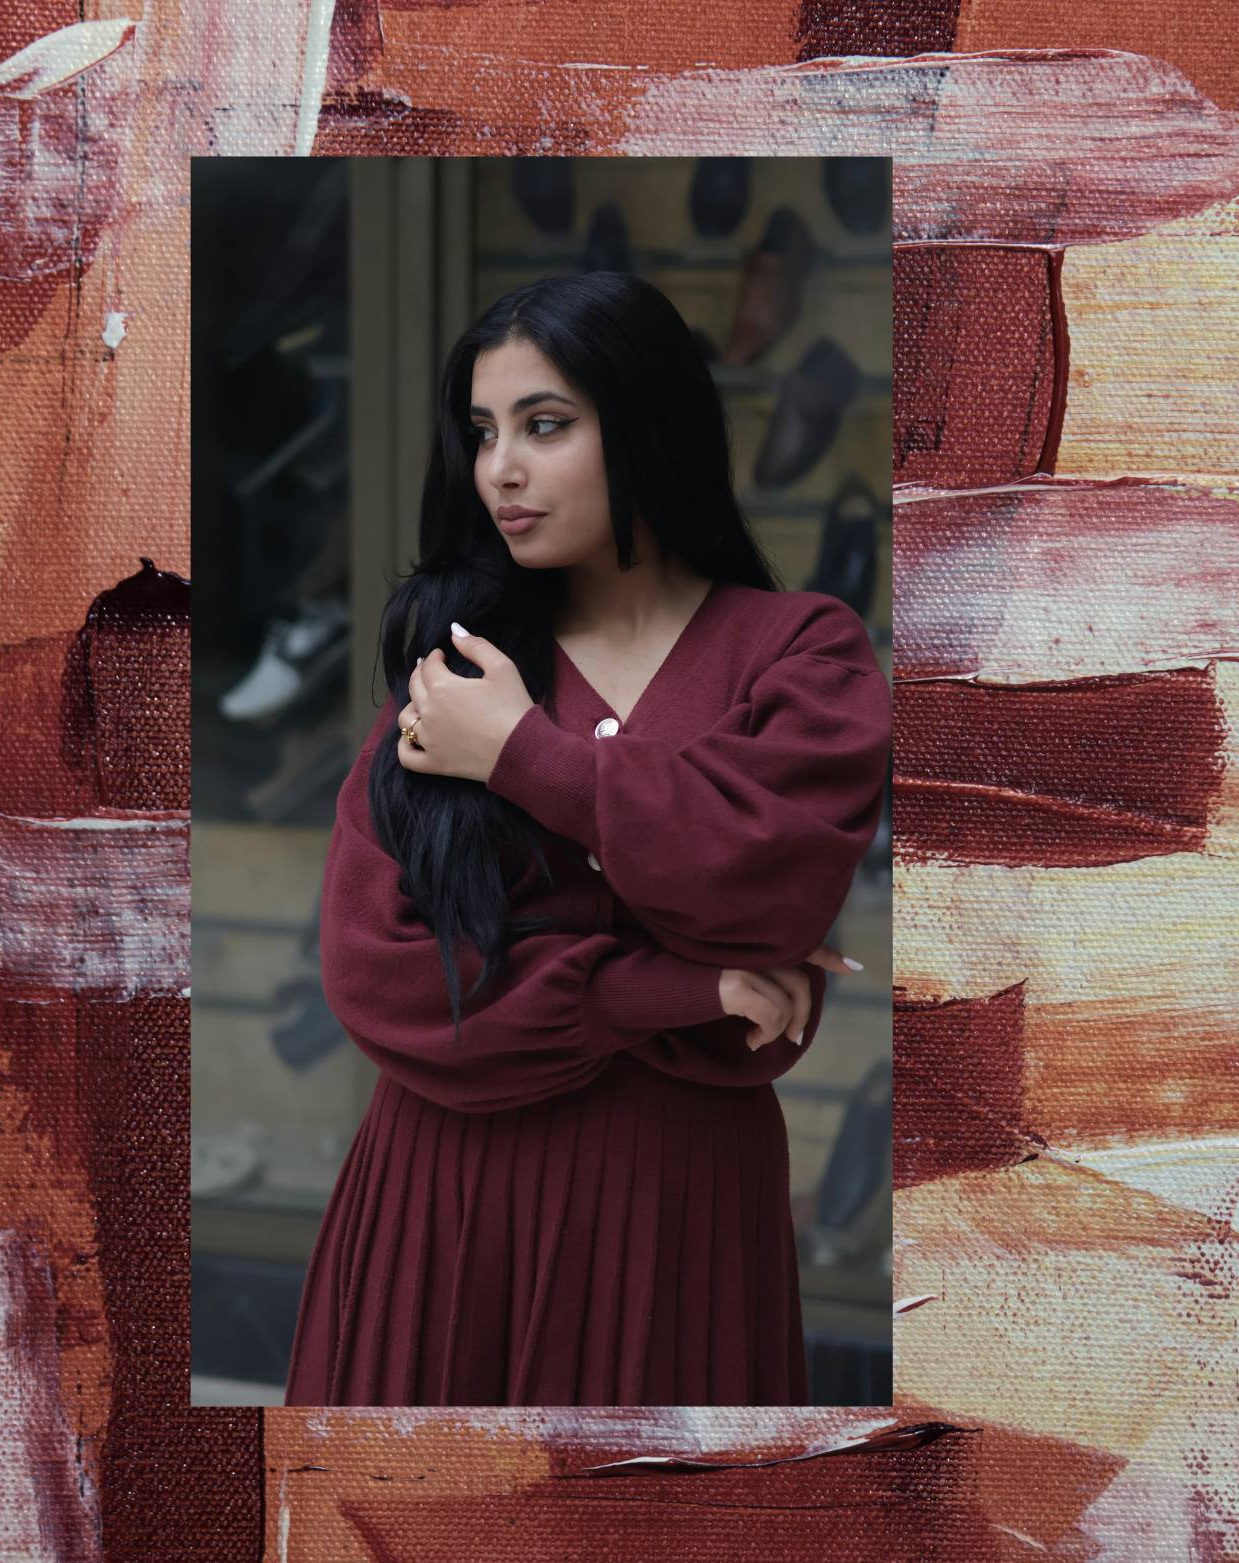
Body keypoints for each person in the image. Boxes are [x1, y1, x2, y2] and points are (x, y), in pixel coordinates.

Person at [282, 271, 892, 1406]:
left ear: (648, 424)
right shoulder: (460, 665)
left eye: (545, 425)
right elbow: (379, 973)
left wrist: (525, 756)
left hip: (677, 1209)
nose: (499, 470)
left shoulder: (798, 652)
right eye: (483, 432)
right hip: (444, 1200)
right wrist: (666, 987)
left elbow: (765, 884)